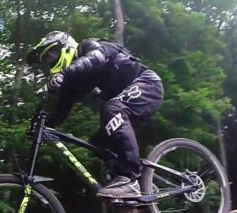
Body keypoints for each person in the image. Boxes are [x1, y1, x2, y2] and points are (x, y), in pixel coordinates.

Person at [20, 31, 161, 199]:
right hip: (128, 102)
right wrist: (38, 126)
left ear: (64, 46)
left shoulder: (89, 46)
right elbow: (59, 111)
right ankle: (136, 193)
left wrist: (64, 75)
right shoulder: (74, 82)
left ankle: (130, 179)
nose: (50, 60)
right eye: (47, 59)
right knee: (98, 145)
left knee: (112, 108)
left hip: (147, 84)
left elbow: (96, 58)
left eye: (52, 53)